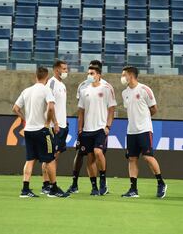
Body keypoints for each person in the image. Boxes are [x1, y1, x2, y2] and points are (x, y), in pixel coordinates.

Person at [12, 67, 69, 198]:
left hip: (28, 130)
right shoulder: (46, 89)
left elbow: (15, 108)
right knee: (50, 160)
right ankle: (54, 188)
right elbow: (51, 107)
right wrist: (49, 122)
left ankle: (25, 189)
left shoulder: (26, 91)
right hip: (42, 130)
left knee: (30, 159)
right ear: (47, 77)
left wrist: (24, 118)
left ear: (35, 76)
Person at [66, 60, 113, 194]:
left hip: (100, 127)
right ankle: (76, 184)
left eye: (92, 72)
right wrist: (80, 129)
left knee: (98, 153)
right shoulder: (83, 86)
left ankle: (102, 183)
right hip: (86, 128)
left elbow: (111, 108)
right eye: (89, 72)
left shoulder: (106, 87)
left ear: (99, 73)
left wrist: (107, 126)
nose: (89, 75)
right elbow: (82, 108)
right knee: (81, 154)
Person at [120, 66, 167, 198]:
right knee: (132, 159)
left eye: (124, 75)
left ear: (131, 75)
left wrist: (144, 120)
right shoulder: (125, 93)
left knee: (147, 157)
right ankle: (133, 189)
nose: (122, 77)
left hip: (144, 130)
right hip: (131, 131)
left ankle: (161, 183)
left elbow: (154, 109)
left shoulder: (145, 89)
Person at [41, 60, 69, 194]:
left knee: (55, 156)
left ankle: (50, 184)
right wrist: (55, 123)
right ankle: (47, 185)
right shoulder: (51, 83)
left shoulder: (62, 85)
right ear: (57, 70)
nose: (66, 71)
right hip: (54, 126)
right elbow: (49, 105)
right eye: (64, 69)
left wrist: (63, 122)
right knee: (50, 157)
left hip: (62, 125)